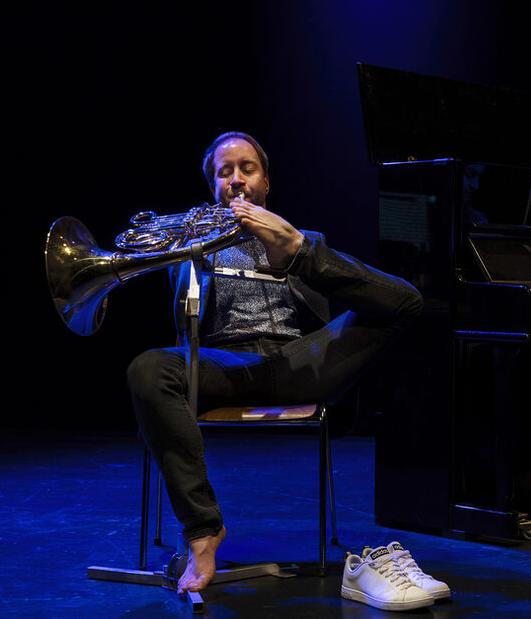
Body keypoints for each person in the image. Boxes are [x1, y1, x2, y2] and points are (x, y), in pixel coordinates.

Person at [127, 132, 423, 594]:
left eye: (247, 168)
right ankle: (203, 531)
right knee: (148, 368)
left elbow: (398, 301)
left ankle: (295, 250)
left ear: (266, 183)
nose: (237, 180)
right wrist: (190, 249)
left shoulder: (309, 242)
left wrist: (299, 250)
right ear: (213, 189)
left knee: (403, 302)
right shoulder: (187, 250)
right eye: (224, 172)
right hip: (225, 365)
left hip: (300, 362)